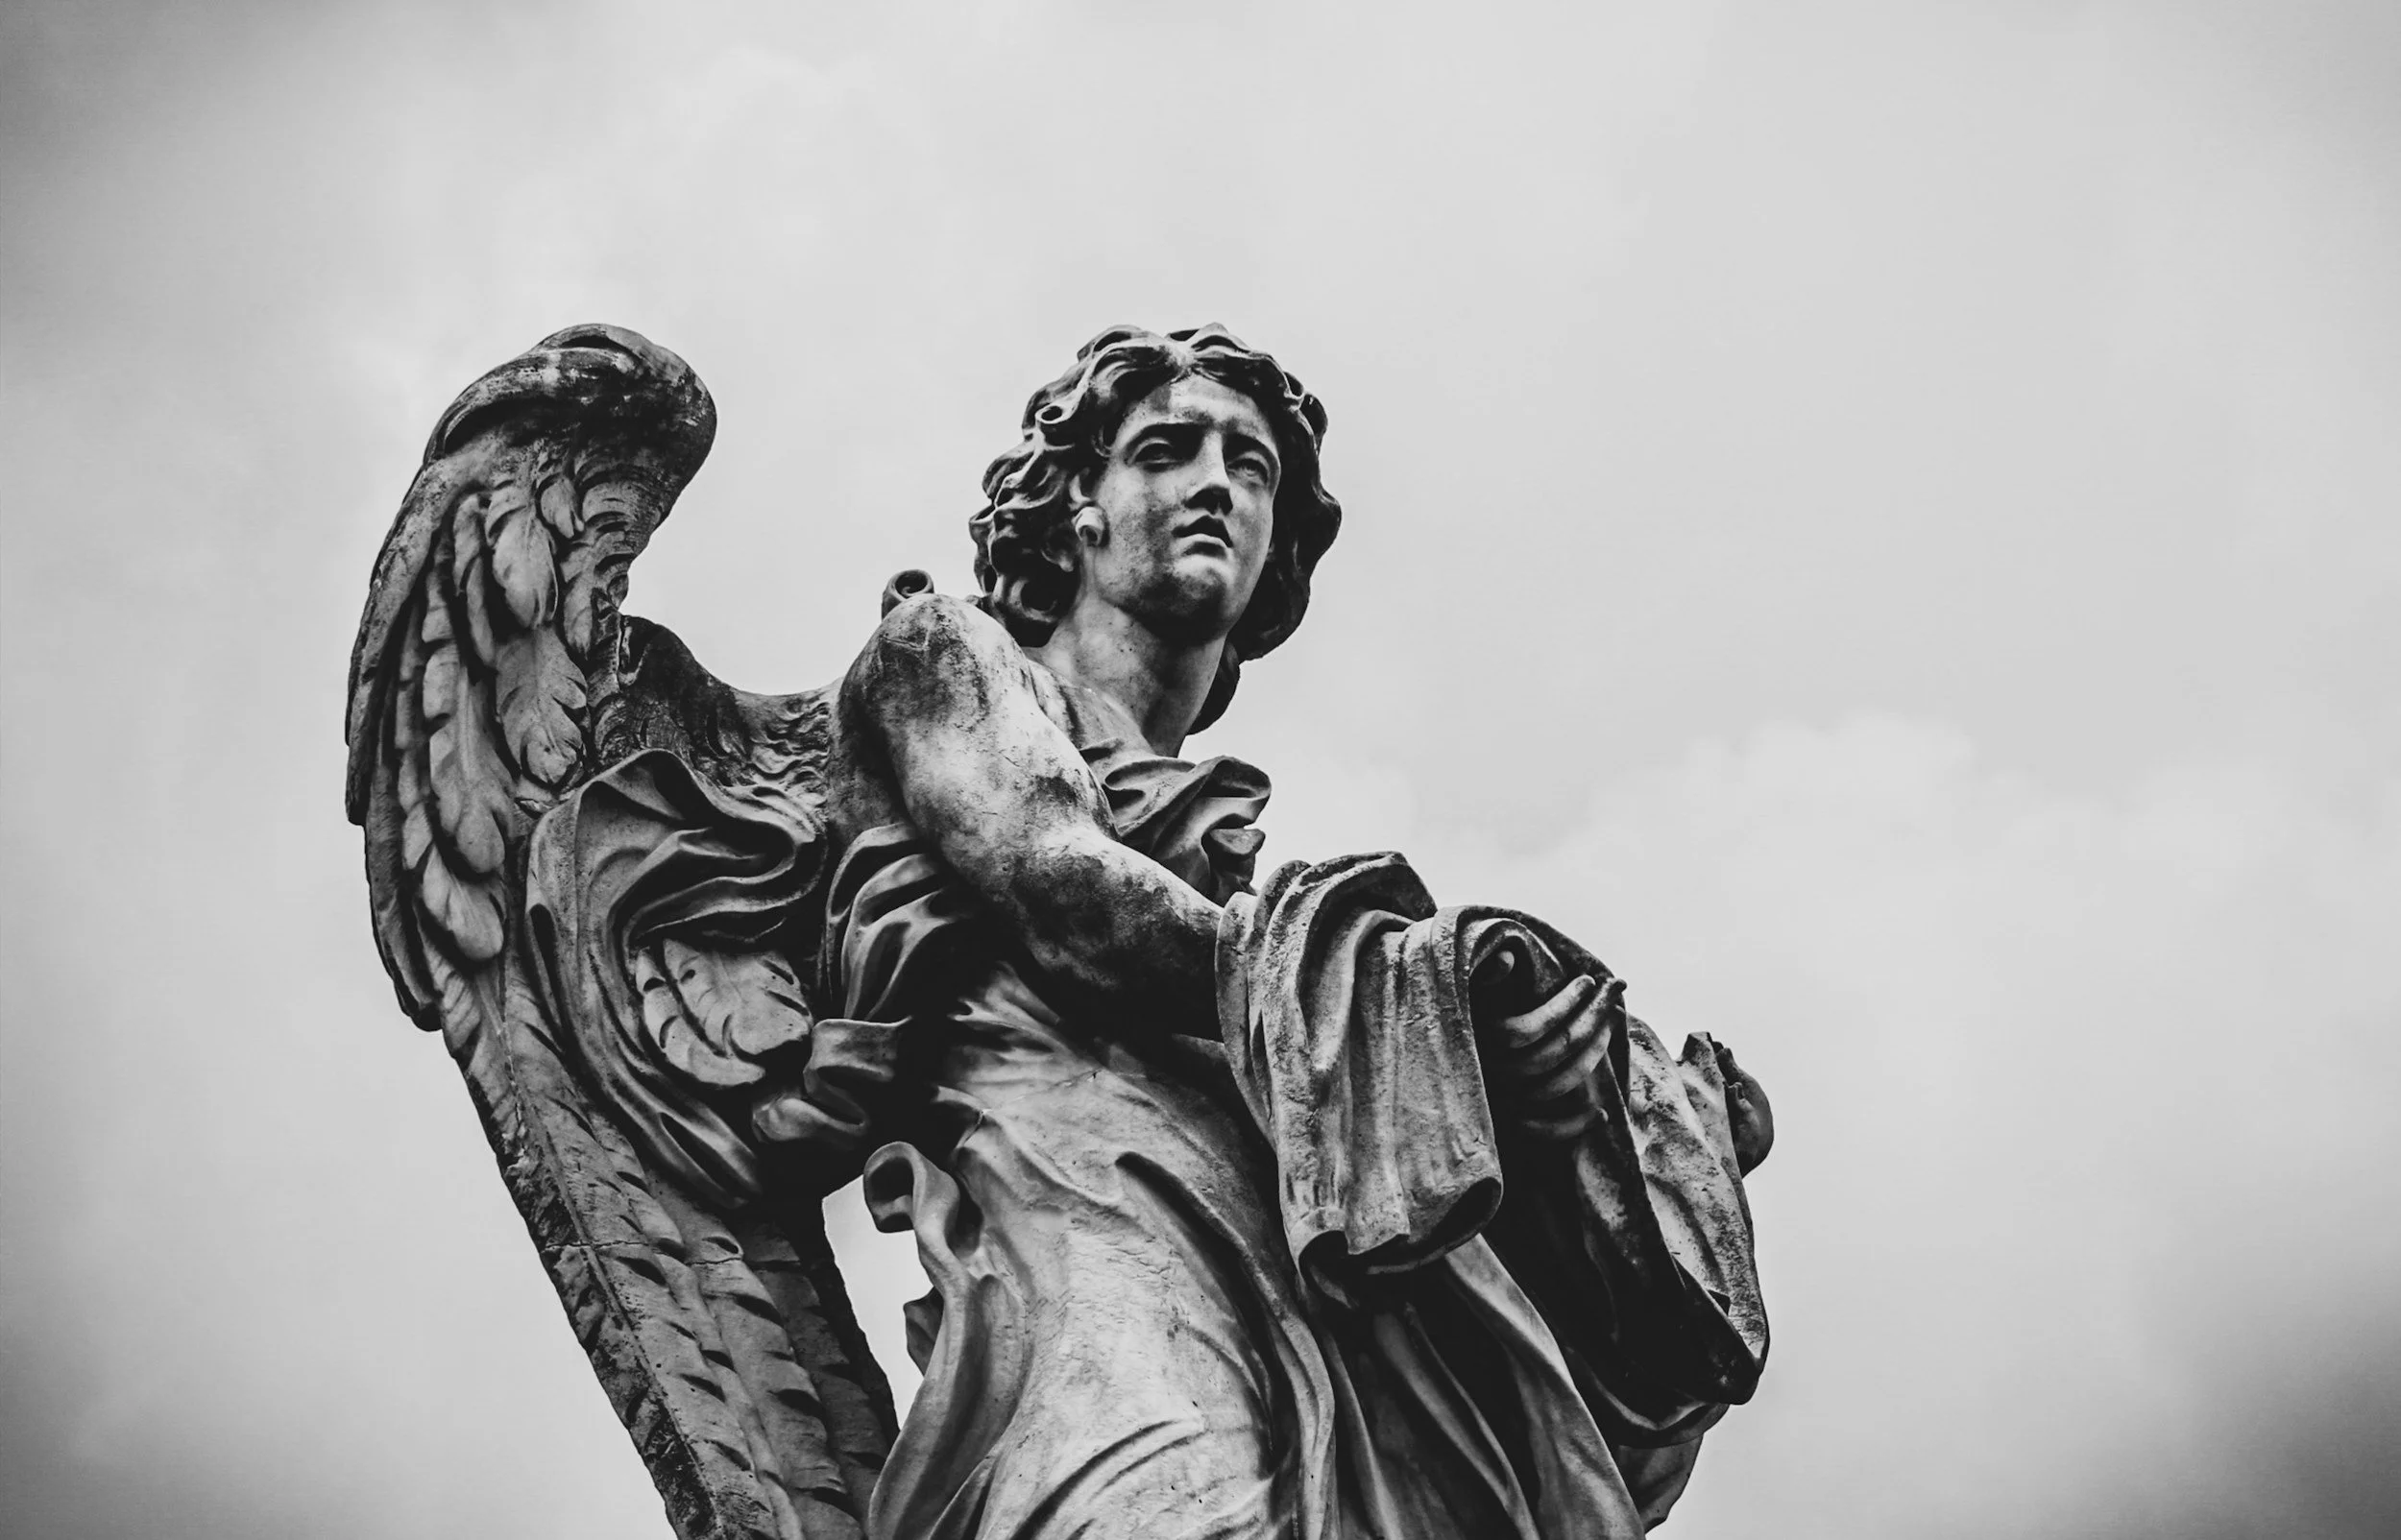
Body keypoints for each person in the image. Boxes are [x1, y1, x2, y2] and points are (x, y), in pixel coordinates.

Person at [806, 324, 1770, 1539]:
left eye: (1250, 467)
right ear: (1073, 511)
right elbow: (1062, 891)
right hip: (1091, 1231)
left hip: (1293, 1267)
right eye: (1166, 449)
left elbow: (1366, 1140)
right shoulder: (947, 658)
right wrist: (1429, 1025)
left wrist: (1568, 1114)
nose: (1216, 481)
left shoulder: (1231, 873)